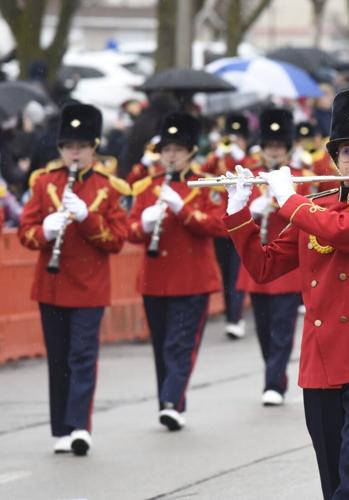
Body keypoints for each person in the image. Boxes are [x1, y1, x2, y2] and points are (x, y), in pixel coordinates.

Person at [222, 88, 349, 500]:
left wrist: (288, 199)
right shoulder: (317, 203)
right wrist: (239, 212)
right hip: (321, 360)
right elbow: (265, 266)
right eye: (347, 152)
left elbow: (341, 233)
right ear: (334, 157)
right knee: (333, 481)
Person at [18, 103, 130, 455]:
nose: (74, 153)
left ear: (94, 147)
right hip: (51, 285)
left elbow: (116, 239)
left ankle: (81, 425)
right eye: (68, 147)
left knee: (82, 355)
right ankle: (62, 428)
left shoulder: (108, 187)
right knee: (58, 358)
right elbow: (26, 232)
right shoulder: (44, 182)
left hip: (90, 287)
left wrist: (87, 219)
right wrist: (45, 231)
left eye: (81, 146)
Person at [127, 112, 226, 431]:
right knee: (161, 344)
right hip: (156, 278)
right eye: (166, 150)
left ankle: (171, 399)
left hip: (192, 279)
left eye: (177, 150)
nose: (170, 156)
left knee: (180, 343)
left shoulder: (204, 186)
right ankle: (169, 403)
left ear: (190, 153)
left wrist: (183, 210)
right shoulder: (147, 186)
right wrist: (144, 223)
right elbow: (131, 231)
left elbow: (217, 225)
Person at [236, 108, 310, 406]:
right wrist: (252, 209)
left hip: (287, 266)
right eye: (270, 147)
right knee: (264, 329)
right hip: (258, 264)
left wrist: (282, 203)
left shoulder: (301, 177)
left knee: (282, 327)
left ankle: (274, 383)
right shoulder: (252, 178)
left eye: (279, 147)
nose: (274, 152)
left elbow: (307, 213)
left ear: (288, 148)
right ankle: (274, 373)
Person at [202, 113, 257, 339]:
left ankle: (236, 317)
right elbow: (204, 172)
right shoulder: (219, 159)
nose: (233, 142)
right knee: (227, 274)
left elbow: (254, 174)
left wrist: (240, 156)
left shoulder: (251, 159)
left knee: (237, 272)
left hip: (242, 221)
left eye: (238, 139)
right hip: (221, 225)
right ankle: (231, 316)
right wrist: (217, 154)